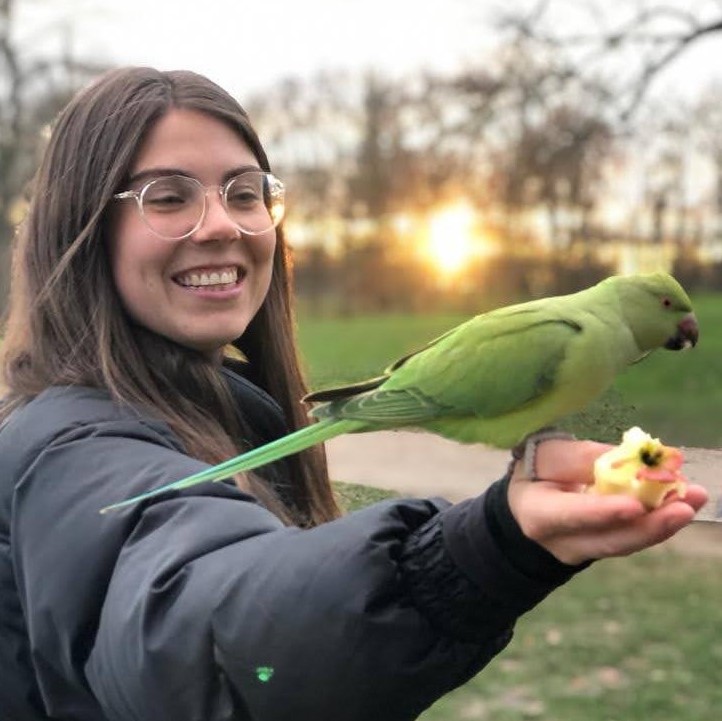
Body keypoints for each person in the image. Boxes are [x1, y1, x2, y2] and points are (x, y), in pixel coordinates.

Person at [0, 66, 707, 721]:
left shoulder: (219, 404)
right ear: (84, 229)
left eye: (245, 193)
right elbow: (202, 622)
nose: (222, 223)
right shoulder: (68, 445)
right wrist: (474, 548)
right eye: (168, 196)